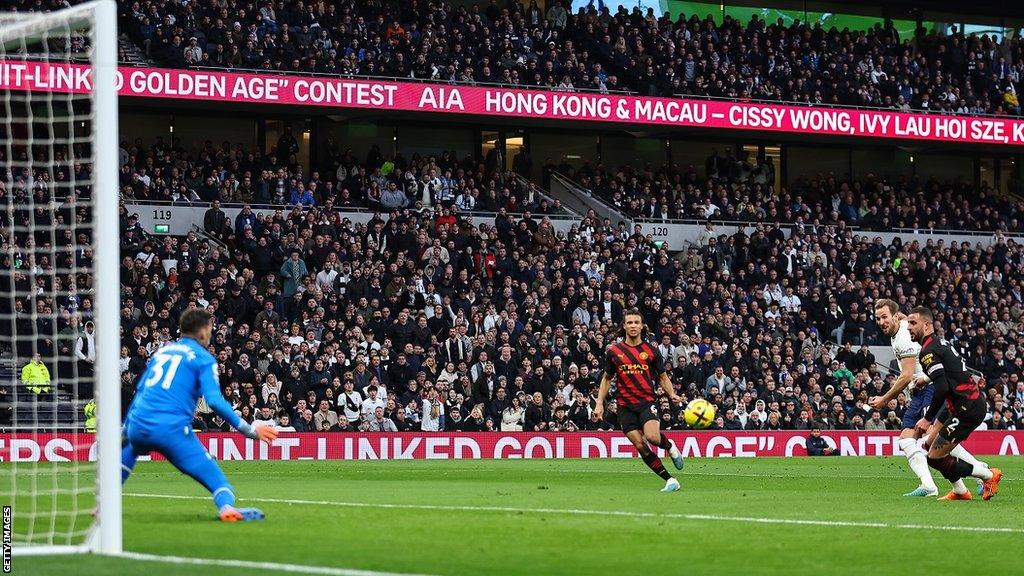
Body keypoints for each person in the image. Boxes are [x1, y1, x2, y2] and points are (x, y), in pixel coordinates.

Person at [122, 308, 278, 522]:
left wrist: (126, 429)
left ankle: (103, 505)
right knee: (221, 485)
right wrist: (249, 430)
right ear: (203, 332)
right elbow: (213, 400)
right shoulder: (203, 358)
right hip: (173, 431)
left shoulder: (162, 353)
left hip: (139, 424)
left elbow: (141, 392)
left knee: (128, 452)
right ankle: (226, 508)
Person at [871, 299, 986, 497]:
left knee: (930, 441)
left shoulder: (904, 338)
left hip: (931, 389)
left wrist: (884, 399)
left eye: (885, 317)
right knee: (909, 441)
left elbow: (906, 375)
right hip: (920, 391)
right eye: (878, 318)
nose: (881, 322)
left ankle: (976, 471)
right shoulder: (901, 329)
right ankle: (938, 486)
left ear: (896, 316)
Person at [907, 307, 1002, 501]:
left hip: (968, 407)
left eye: (913, 323)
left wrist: (926, 419)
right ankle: (960, 491)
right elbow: (950, 372)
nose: (908, 327)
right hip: (959, 403)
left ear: (926, 325)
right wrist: (925, 379)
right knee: (927, 444)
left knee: (934, 458)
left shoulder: (928, 351)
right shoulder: (938, 344)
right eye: (908, 323)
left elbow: (941, 387)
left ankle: (988, 475)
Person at [594, 309, 685, 492]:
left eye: (636, 322)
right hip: (625, 406)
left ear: (642, 326)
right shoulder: (614, 351)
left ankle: (670, 446)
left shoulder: (651, 351)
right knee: (641, 446)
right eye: (629, 322)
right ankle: (670, 480)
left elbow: (662, 377)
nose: (633, 326)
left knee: (652, 436)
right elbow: (606, 379)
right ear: (624, 326)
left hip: (646, 402)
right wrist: (599, 403)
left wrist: (671, 393)